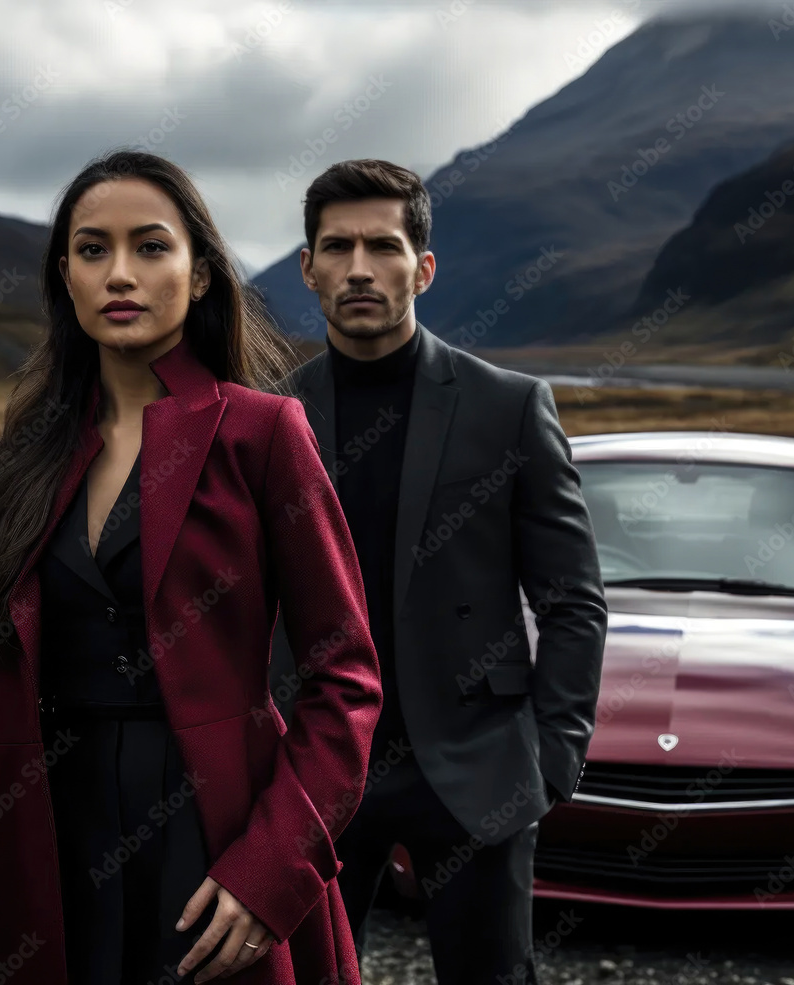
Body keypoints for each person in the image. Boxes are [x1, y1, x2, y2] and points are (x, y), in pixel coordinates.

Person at [0, 149, 382, 985]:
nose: (120, 274)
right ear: (64, 278)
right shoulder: (24, 459)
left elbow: (346, 678)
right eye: (91, 249)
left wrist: (272, 872)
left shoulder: (262, 433)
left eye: (151, 247)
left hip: (217, 833)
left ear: (203, 274)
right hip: (48, 828)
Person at [268, 159, 608, 985]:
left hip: (476, 762)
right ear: (306, 267)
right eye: (336, 247)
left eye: (382, 246)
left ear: (422, 266)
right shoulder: (269, 413)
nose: (358, 268)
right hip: (313, 760)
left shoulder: (510, 405)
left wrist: (553, 753)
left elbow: (573, 601)